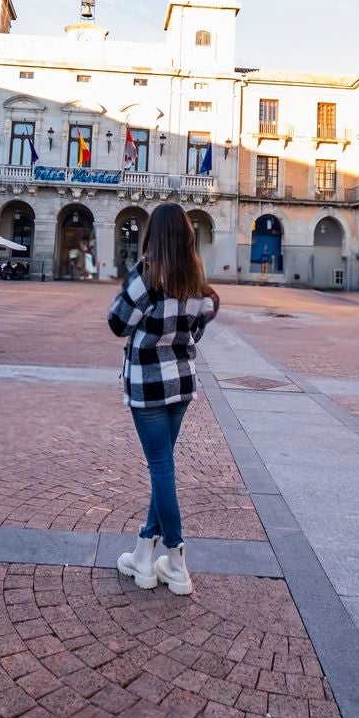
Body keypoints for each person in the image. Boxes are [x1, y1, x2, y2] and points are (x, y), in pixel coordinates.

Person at [106, 202, 220, 595]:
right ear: (187, 236)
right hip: (182, 383)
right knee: (163, 466)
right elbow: (204, 319)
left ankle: (176, 560)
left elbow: (117, 323)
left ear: (153, 235)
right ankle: (143, 556)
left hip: (149, 385)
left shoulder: (147, 274)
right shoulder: (196, 277)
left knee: (161, 468)